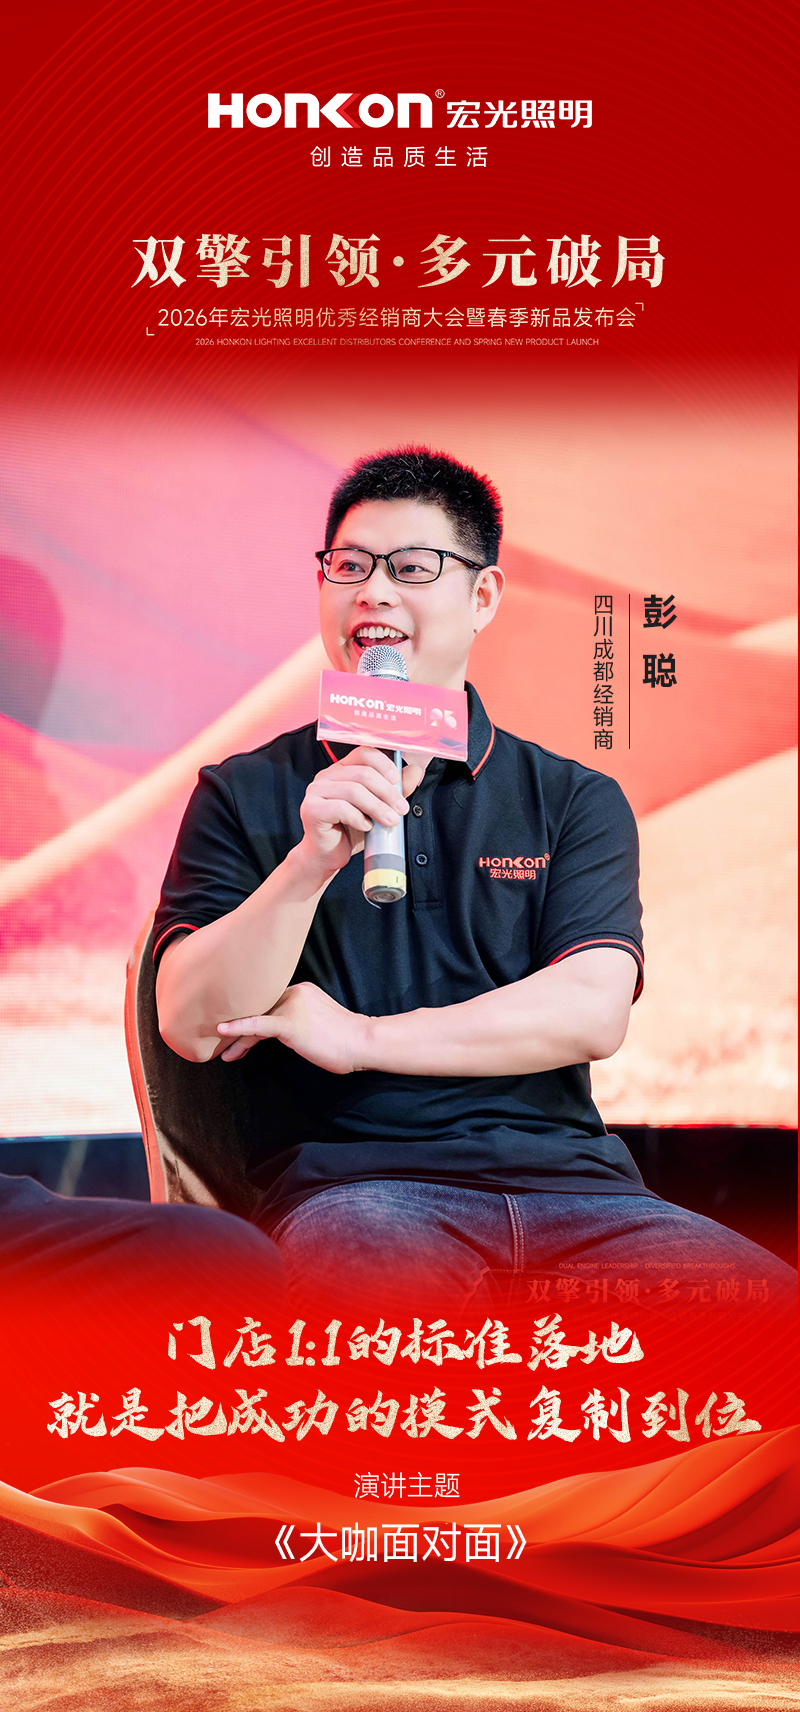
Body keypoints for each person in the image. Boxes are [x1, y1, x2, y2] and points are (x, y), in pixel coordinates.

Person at [152, 447, 795, 1311]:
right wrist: (310, 864)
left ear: (483, 596)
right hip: (359, 1196)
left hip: (584, 1197)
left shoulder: (571, 798)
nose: (374, 593)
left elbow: (591, 1011)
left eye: (412, 568)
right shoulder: (246, 792)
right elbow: (189, 1024)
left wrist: (362, 1038)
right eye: (349, 566)